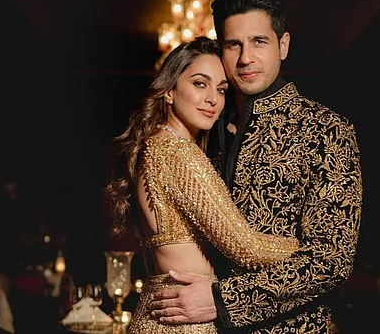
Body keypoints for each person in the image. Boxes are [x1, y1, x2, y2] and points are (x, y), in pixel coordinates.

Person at [149, 0, 363, 333]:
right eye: (233, 44)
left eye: (259, 42)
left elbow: (331, 261)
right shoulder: (202, 129)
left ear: (283, 45)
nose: (245, 58)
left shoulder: (326, 130)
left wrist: (222, 301)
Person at [103, 36, 300, 334]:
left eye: (221, 89)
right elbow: (246, 247)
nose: (213, 99)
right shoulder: (176, 151)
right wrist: (310, 250)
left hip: (161, 316)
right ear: (169, 91)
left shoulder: (155, 146)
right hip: (184, 323)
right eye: (199, 83)